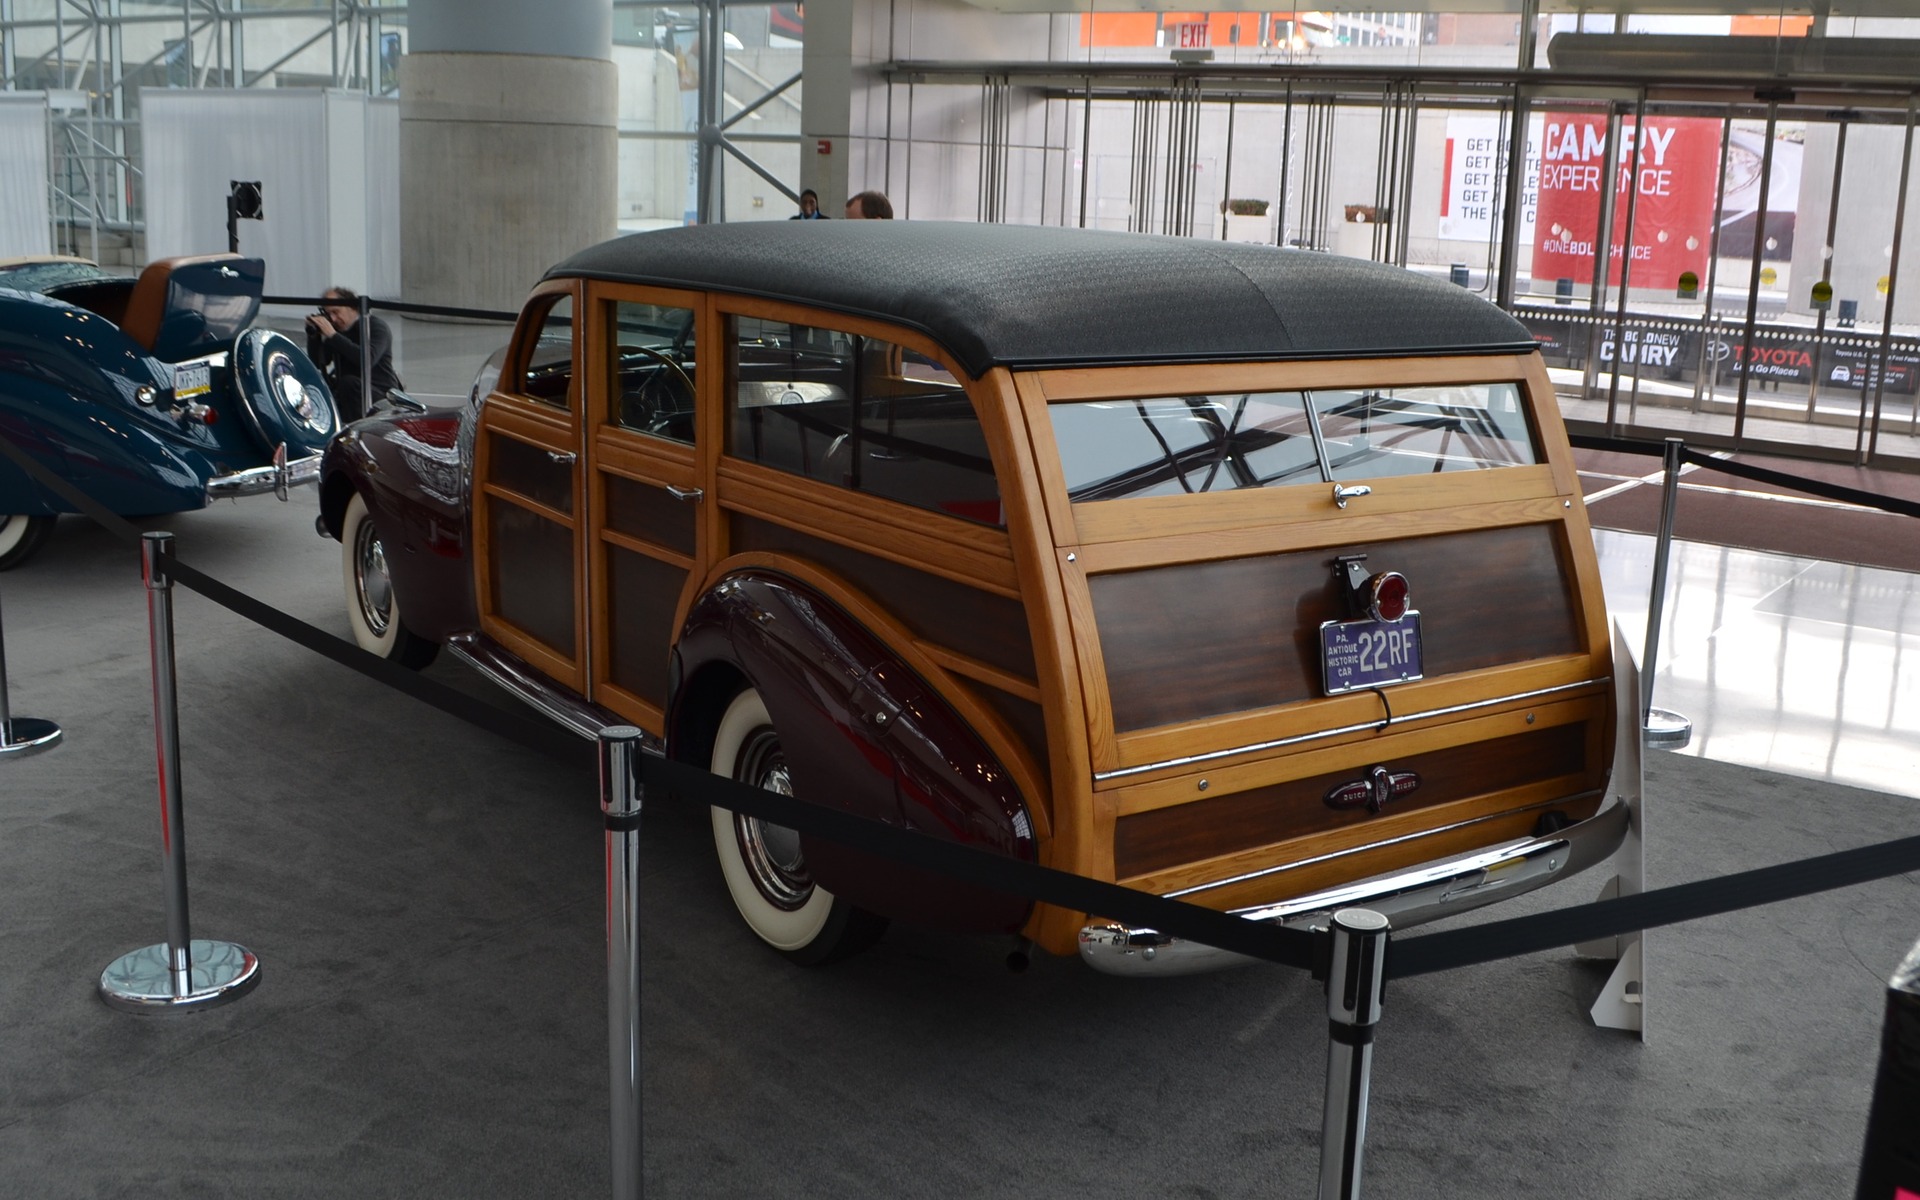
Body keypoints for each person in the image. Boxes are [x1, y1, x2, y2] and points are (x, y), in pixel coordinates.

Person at [305, 286, 402, 423]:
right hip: (349, 393)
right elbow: (318, 362)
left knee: (348, 383)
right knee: (321, 385)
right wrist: (314, 337)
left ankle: (353, 432)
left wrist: (332, 335)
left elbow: (367, 360)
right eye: (328, 314)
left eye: (336, 312)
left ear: (351, 307)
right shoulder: (337, 331)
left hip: (381, 394)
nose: (333, 318)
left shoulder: (375, 326)